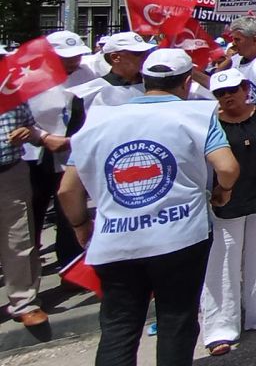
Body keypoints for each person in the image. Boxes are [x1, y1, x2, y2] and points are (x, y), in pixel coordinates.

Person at [58, 49, 239, 366]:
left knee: (119, 327)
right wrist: (222, 192)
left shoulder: (98, 119)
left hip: (116, 239)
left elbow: (67, 189)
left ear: (145, 80)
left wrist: (79, 224)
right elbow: (227, 167)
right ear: (187, 82)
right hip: (181, 237)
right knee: (177, 319)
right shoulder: (197, 115)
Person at [200, 70, 256, 356]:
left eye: (232, 89)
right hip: (225, 203)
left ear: (244, 88)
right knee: (222, 264)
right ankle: (219, 328)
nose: (227, 96)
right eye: (220, 93)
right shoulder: (209, 122)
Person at [26, 30, 97, 269]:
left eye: (76, 56)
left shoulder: (87, 74)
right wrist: (43, 137)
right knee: (32, 212)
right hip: (34, 154)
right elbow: (16, 116)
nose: (73, 61)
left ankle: (70, 267)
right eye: (65, 57)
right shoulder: (27, 77)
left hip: (72, 153)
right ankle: (29, 265)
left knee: (70, 211)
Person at [1, 101, 47, 327]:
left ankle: (24, 303)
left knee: (19, 238)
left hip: (10, 172)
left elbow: (32, 128)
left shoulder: (13, 94)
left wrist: (27, 132)